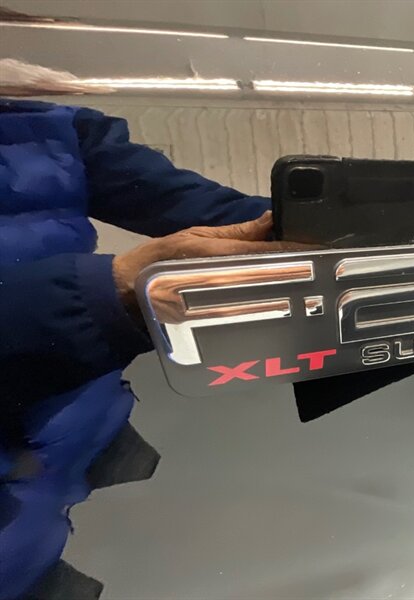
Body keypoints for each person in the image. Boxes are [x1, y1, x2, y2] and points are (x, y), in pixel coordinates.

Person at [0, 59, 310, 599]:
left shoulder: (46, 126)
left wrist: (340, 228)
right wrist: (113, 289)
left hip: (95, 422)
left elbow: (203, 208)